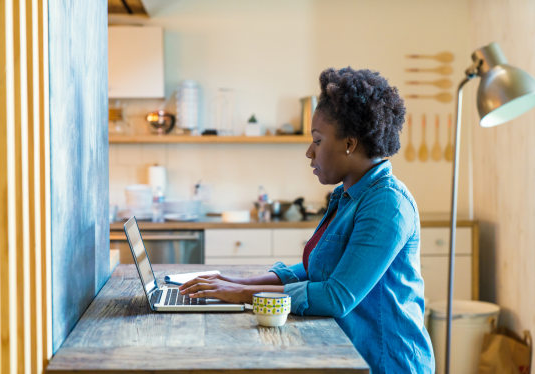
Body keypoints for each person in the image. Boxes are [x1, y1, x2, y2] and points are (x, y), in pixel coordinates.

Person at [179, 67, 435, 373]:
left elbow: (336, 295)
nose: (309, 152)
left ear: (349, 144)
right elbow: (320, 267)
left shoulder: (387, 205)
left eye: (317, 140)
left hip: (386, 361)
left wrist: (242, 294)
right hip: (351, 352)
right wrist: (237, 282)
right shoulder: (350, 194)